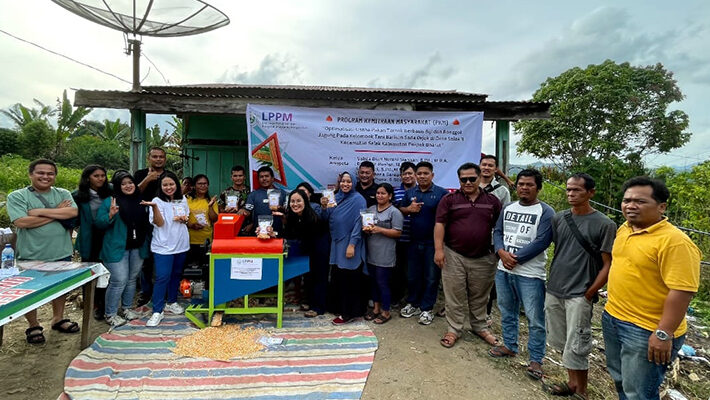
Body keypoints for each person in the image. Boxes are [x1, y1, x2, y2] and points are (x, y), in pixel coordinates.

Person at [602, 177, 701, 400]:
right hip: (613, 318)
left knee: (639, 392)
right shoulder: (624, 229)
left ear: (661, 207)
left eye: (640, 201)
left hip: (646, 329)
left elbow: (682, 292)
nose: (631, 206)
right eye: (627, 200)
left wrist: (663, 333)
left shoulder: (675, 242)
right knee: (621, 380)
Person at [543, 173, 616, 399]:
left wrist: (590, 292)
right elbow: (560, 249)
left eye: (577, 190)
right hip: (555, 288)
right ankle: (571, 383)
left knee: (578, 342)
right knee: (563, 340)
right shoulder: (560, 218)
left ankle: (581, 390)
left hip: (579, 292)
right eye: (568, 189)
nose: (571, 194)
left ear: (590, 193)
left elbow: (608, 264)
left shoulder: (605, 224)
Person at [6, 159, 80, 344]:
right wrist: (56, 212)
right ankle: (33, 324)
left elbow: (72, 213)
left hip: (61, 251)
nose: (45, 176)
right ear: (30, 174)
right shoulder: (17, 196)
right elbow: (22, 222)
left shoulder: (63, 193)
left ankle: (58, 318)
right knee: (29, 289)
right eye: (41, 173)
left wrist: (38, 212)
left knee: (61, 286)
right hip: (30, 253)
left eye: (50, 173)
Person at [490, 168, 554, 381]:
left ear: (538, 188)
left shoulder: (546, 212)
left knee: (535, 318)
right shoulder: (508, 208)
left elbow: (542, 241)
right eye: (521, 184)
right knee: (507, 310)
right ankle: (510, 345)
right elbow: (498, 231)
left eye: (529, 185)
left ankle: (536, 359)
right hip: (503, 270)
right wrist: (501, 252)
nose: (524, 188)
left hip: (530, 274)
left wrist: (514, 258)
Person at [434, 163, 501, 348]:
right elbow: (440, 224)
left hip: (484, 257)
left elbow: (499, 228)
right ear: (459, 180)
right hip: (454, 254)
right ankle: (454, 329)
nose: (468, 182)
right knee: (454, 294)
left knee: (480, 295)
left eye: (472, 178)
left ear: (479, 178)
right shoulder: (449, 200)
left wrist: (499, 252)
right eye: (464, 179)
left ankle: (479, 327)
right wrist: (439, 250)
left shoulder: (492, 201)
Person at [94, 171, 151, 327]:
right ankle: (110, 314)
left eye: (130, 183)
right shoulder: (110, 201)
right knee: (118, 280)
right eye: (123, 184)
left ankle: (127, 308)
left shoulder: (140, 200)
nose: (128, 186)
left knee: (132, 279)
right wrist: (110, 215)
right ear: (117, 186)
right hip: (116, 248)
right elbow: (99, 223)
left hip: (137, 247)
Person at [398, 161, 449, 325]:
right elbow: (400, 209)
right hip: (413, 242)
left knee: (431, 278)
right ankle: (413, 303)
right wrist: (409, 209)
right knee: (413, 276)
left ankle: (427, 308)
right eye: (419, 173)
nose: (422, 176)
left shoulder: (442, 193)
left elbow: (447, 219)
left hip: (433, 244)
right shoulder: (410, 193)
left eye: (425, 173)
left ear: (432, 175)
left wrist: (441, 246)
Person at [141, 172, 190, 327]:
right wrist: (155, 208)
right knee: (162, 277)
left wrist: (184, 219)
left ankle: (172, 302)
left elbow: (186, 218)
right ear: (160, 187)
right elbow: (159, 223)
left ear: (176, 185)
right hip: (163, 246)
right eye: (165, 185)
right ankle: (157, 310)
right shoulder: (156, 201)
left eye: (171, 184)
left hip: (181, 243)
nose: (169, 187)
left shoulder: (182, 199)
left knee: (176, 274)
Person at [318, 171, 367, 325]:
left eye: (349, 181)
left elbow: (359, 223)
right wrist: (324, 207)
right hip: (337, 242)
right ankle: (343, 309)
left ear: (354, 183)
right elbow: (326, 218)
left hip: (350, 243)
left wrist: (352, 245)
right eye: (343, 181)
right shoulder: (335, 198)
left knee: (350, 278)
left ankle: (348, 314)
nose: (345, 184)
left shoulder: (358, 200)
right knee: (340, 277)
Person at [280, 187, 329, 317]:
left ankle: (319, 307)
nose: (295, 204)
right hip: (306, 250)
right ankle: (311, 303)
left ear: (305, 201)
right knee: (308, 277)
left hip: (319, 250)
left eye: (298, 201)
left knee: (319, 278)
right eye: (292, 201)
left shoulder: (312, 216)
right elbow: (289, 235)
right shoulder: (292, 216)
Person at [134, 147, 174, 306]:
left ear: (165, 159)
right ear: (148, 158)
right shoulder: (140, 174)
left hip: (164, 223)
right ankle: (145, 292)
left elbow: (174, 196)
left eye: (161, 157)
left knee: (164, 257)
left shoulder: (169, 175)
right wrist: (148, 179)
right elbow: (133, 194)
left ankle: (164, 291)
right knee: (146, 259)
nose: (158, 159)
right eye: (155, 156)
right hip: (144, 223)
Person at [72, 165, 112, 320]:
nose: (100, 178)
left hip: (107, 236)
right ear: (88, 178)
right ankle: (92, 304)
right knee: (90, 273)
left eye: (103, 175)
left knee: (106, 272)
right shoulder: (78, 196)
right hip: (89, 237)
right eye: (96, 176)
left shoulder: (110, 191)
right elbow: (73, 219)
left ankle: (103, 305)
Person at [363, 183, 403, 324]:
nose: (380, 196)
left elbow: (398, 233)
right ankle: (376, 309)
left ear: (390, 196)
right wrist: (366, 229)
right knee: (373, 282)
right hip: (371, 252)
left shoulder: (394, 212)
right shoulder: (370, 210)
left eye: (383, 193)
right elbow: (366, 227)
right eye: (378, 193)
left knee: (383, 283)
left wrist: (380, 229)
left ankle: (386, 311)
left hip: (385, 254)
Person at [480, 154, 512, 324]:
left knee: (489, 278)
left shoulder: (502, 191)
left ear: (495, 169)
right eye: (484, 164)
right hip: (469, 240)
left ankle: (486, 312)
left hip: (491, 241)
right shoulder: (470, 186)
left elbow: (505, 219)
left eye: (490, 165)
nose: (486, 168)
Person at [185, 174, 218, 282]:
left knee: (205, 271)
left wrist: (210, 206)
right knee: (188, 272)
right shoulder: (187, 200)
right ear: (194, 186)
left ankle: (205, 290)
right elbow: (180, 217)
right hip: (189, 240)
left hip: (206, 241)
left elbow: (214, 219)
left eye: (205, 184)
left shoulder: (211, 200)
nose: (203, 186)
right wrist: (191, 225)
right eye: (200, 184)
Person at [392, 161, 416, 306]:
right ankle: (397, 298)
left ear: (415, 174)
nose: (407, 176)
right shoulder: (395, 192)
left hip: (416, 238)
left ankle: (412, 300)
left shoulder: (421, 191)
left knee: (414, 272)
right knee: (397, 270)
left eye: (410, 173)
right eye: (404, 174)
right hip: (398, 238)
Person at [243, 166, 287, 235]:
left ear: (272, 178)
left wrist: (280, 208)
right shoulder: (253, 195)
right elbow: (248, 211)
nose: (264, 179)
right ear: (258, 179)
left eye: (267, 176)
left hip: (278, 233)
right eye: (261, 177)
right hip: (259, 233)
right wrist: (243, 211)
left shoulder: (282, 193)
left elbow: (288, 211)